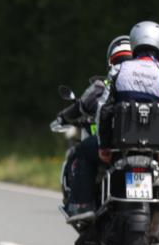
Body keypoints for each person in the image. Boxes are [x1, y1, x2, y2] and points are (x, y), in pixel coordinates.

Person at [67, 22, 159, 229]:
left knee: (83, 150)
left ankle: (83, 205)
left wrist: (104, 146)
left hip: (118, 144)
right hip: (156, 147)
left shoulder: (119, 71)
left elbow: (104, 110)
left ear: (134, 43)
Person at [55, 35, 132, 206]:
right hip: (147, 146)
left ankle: (81, 204)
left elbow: (82, 106)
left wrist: (63, 117)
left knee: (82, 151)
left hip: (112, 144)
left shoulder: (105, 83)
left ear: (111, 60)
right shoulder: (153, 82)